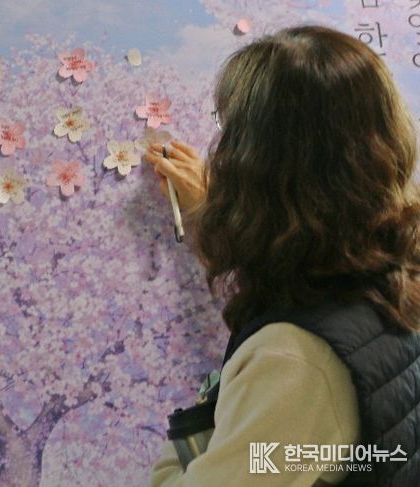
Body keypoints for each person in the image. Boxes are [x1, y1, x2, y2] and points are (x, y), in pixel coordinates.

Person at [144, 24, 419, 486]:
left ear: (260, 168)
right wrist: (219, 218)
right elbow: (341, 458)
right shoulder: (392, 275)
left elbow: (274, 454)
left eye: (229, 131)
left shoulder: (296, 362)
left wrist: (182, 453)